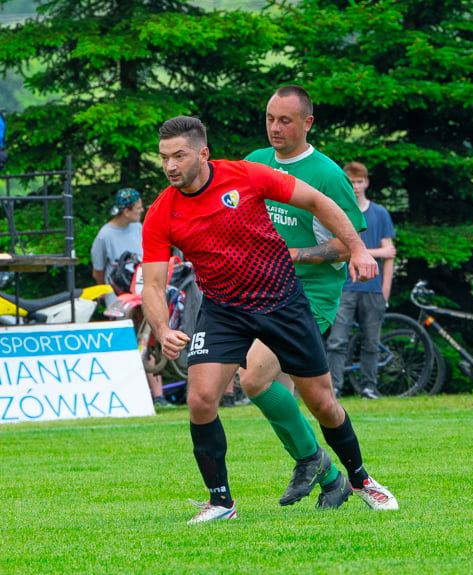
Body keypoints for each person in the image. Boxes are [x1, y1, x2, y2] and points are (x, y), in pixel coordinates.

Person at [142, 115, 395, 524]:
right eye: (164, 157)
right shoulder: (162, 211)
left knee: (323, 404)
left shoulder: (246, 175)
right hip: (224, 309)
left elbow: (318, 202)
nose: (170, 166)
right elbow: (153, 284)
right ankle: (221, 502)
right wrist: (162, 328)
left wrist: (359, 249)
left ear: (203, 153)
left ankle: (361, 480)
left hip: (282, 301)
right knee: (201, 399)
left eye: (179, 156)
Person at [242, 86, 398, 512]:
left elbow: (349, 246)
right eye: (271, 118)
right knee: (311, 398)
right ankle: (332, 476)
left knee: (268, 383)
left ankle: (347, 473)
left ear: (307, 123)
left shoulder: (327, 174)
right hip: (259, 291)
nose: (275, 127)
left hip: (310, 296)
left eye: (286, 120)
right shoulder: (254, 162)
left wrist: (291, 256)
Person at [91, 188, 171, 408]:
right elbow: (98, 272)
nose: (142, 210)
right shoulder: (104, 235)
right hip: (119, 299)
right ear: (126, 211)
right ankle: (132, 395)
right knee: (128, 344)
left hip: (143, 294)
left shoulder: (138, 227)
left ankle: (158, 395)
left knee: (148, 339)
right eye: (138, 208)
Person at [327, 162, 396, 399]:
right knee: (337, 341)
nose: (355, 187)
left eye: (359, 182)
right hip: (344, 287)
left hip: (374, 289)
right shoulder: (339, 213)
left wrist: (385, 290)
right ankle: (334, 387)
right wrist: (376, 252)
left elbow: (391, 254)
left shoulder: (380, 213)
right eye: (351, 182)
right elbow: (342, 249)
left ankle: (369, 387)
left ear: (366, 183)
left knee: (371, 342)